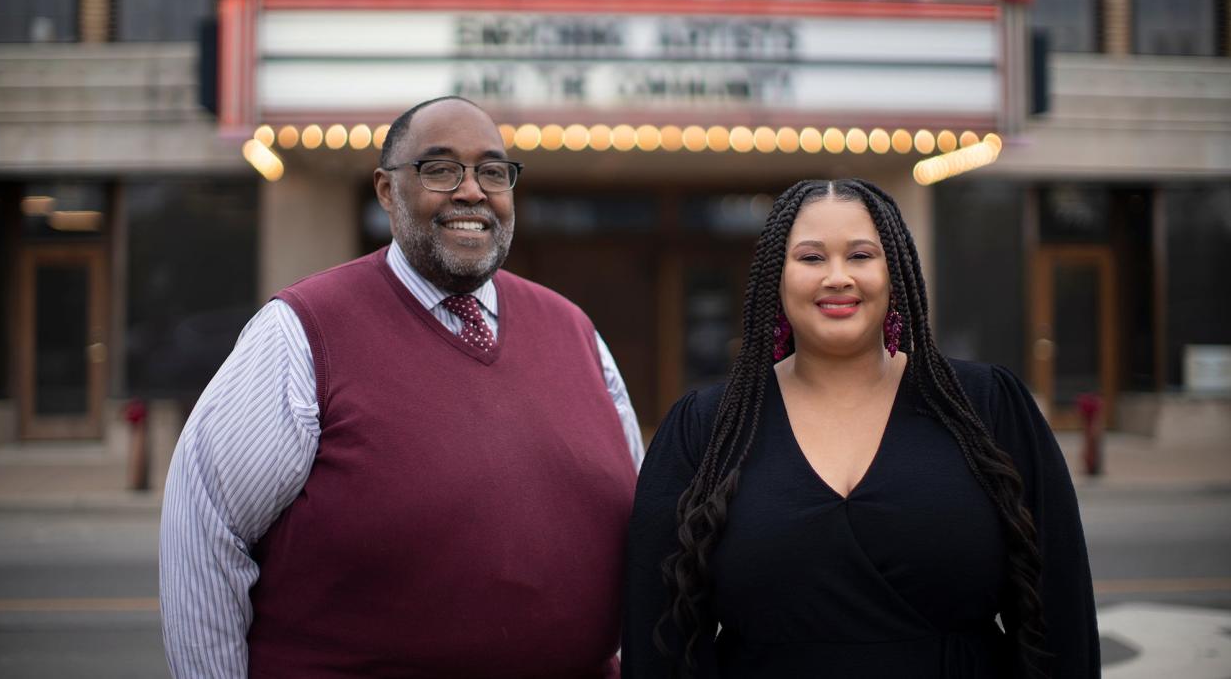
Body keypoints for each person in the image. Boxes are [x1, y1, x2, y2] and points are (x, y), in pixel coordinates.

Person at [161, 96, 644, 678]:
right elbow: (207, 531)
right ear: (387, 191)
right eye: (440, 169)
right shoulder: (304, 330)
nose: (472, 192)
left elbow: (637, 523)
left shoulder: (575, 330)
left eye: (493, 171)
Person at [623, 178, 1099, 678]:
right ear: (774, 277)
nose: (837, 277)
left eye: (860, 256)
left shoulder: (987, 406)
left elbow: (1059, 611)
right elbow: (660, 641)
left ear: (894, 272)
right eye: (810, 258)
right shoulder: (705, 427)